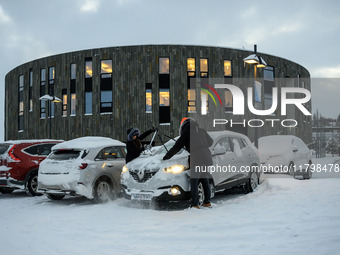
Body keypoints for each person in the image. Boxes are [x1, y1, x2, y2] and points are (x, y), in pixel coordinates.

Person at [163, 118, 213, 208]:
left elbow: (176, 147)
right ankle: (207, 202)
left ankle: (195, 204)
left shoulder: (186, 133)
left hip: (197, 157)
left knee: (194, 180)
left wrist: (166, 157)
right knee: (205, 179)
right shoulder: (202, 131)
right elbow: (210, 142)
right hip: (206, 157)